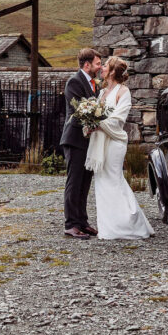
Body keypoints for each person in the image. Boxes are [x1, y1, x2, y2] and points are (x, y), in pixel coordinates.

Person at [86, 56, 154, 240]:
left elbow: (118, 119)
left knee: (114, 180)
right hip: (101, 141)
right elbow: (97, 115)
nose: (102, 69)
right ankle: (110, 226)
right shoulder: (101, 93)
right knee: (102, 182)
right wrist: (90, 123)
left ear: (113, 71)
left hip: (114, 143)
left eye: (105, 66)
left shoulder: (123, 91)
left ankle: (128, 225)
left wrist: (99, 124)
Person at [59, 47, 101, 239]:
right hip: (75, 139)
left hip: (89, 140)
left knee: (85, 183)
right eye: (97, 64)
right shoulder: (74, 82)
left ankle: (82, 222)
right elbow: (78, 110)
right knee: (74, 182)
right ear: (87, 65)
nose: (100, 67)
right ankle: (71, 224)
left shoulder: (94, 84)